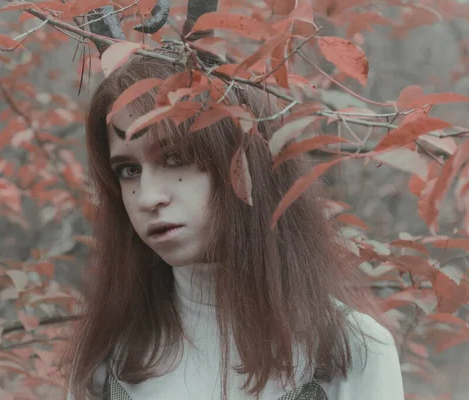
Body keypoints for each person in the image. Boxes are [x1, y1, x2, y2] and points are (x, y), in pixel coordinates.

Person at [57, 45, 405, 400]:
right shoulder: (107, 362)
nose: (148, 197)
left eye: (175, 158)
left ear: (241, 162)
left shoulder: (349, 350)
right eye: (129, 171)